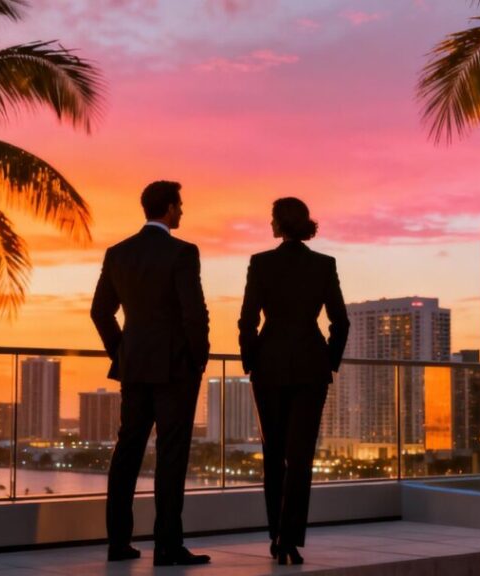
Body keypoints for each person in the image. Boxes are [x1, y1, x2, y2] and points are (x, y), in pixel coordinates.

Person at [91, 180, 211, 566]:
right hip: (176, 369)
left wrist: (122, 351)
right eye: (181, 204)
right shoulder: (183, 252)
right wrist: (199, 358)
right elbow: (194, 313)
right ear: (170, 208)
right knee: (171, 457)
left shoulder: (118, 253)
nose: (183, 211)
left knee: (127, 453)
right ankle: (167, 546)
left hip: (134, 367)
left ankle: (118, 543)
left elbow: (100, 312)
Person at [238, 197, 350, 566]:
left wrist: (251, 361)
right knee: (300, 458)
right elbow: (340, 323)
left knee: (274, 456)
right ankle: (291, 540)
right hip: (310, 368)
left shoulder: (261, 263)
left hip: (269, 367)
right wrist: (328, 362)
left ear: (277, 224)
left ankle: (276, 536)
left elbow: (247, 321)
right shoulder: (323, 264)